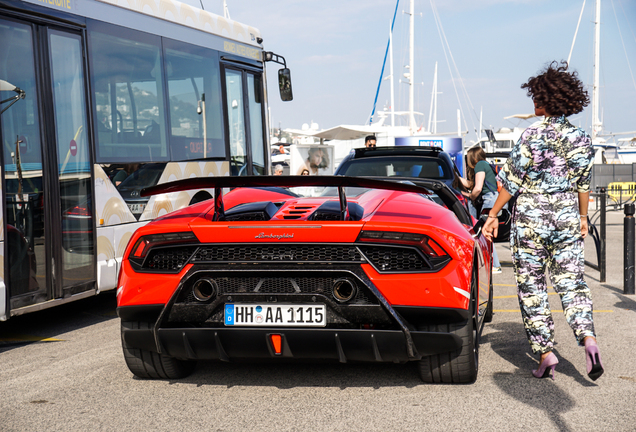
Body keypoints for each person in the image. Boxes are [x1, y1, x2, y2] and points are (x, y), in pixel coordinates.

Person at [483, 61, 603, 381]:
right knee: (572, 283)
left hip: (531, 220)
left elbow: (510, 183)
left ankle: (546, 354)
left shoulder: (530, 135)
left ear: (547, 100)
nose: (533, 102)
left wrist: (493, 215)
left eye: (536, 97)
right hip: (565, 217)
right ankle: (588, 339)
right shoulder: (580, 138)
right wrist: (580, 218)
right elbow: (583, 183)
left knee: (532, 288)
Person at [459, 146, 503, 274]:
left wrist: (469, 196)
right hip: (493, 199)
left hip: (489, 201)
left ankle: (495, 265)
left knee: (486, 233)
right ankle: (494, 264)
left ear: (472, 158)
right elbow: (472, 185)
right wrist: (457, 179)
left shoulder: (479, 165)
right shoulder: (485, 165)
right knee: (486, 232)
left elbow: (477, 189)